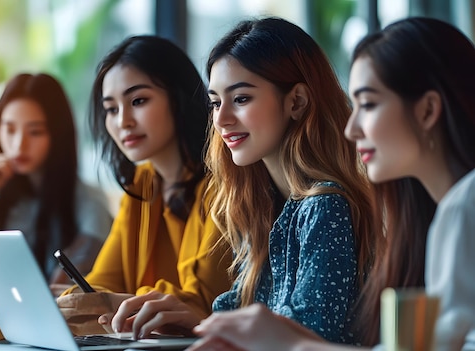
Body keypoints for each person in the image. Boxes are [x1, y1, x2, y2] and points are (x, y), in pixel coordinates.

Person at [186, 17, 475, 351]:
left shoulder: (461, 208)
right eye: (215, 103)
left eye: (367, 104)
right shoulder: (433, 217)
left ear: (427, 111)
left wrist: (293, 344)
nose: (352, 128)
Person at [109, 17, 379, 345]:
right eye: (215, 102)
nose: (221, 120)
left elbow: (310, 335)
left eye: (240, 99)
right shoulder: (261, 205)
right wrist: (195, 323)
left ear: (297, 101)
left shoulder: (325, 206)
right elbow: (239, 313)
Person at [53, 34, 233, 336]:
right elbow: (105, 281)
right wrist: (81, 301)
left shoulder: (225, 184)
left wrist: (109, 303)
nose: (123, 121)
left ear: (179, 98)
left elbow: (204, 302)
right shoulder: (143, 185)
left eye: (138, 101)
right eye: (111, 109)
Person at [0, 73, 113, 285]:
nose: (19, 145)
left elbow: (66, 287)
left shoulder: (89, 203)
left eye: (35, 132)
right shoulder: (2, 196)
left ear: (57, 135)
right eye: (9, 129)